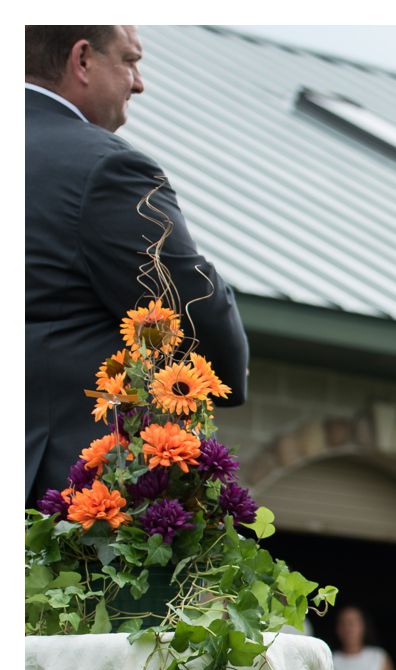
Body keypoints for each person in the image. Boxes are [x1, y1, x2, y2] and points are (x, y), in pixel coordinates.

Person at [25, 25, 248, 506]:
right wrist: (220, 375)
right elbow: (190, 306)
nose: (139, 82)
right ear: (81, 59)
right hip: (55, 500)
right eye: (129, 60)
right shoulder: (103, 168)